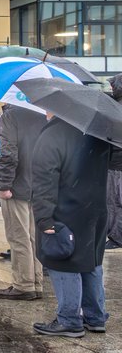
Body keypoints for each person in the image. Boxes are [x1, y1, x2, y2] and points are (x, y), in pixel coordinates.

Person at [31, 113, 111, 337]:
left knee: (63, 262)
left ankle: (69, 320)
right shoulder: (97, 134)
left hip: (65, 212)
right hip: (95, 210)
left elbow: (44, 180)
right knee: (91, 262)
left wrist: (43, 218)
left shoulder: (54, 133)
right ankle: (95, 317)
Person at [0, 104, 48, 300]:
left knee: (18, 236)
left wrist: (3, 184)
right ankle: (35, 282)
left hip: (16, 186)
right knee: (33, 237)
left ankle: (23, 285)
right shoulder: (42, 115)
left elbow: (6, 153)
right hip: (37, 185)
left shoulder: (10, 117)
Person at [106, 74, 122, 250]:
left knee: (114, 201)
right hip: (117, 164)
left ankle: (117, 237)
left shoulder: (115, 108)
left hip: (116, 164)